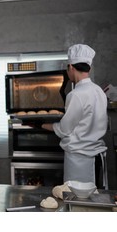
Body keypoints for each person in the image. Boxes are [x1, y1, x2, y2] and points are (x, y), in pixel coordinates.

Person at [41, 43, 108, 188]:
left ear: (71, 67)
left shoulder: (76, 95)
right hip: (97, 156)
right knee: (95, 203)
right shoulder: (99, 91)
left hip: (79, 160)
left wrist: (42, 125)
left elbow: (64, 129)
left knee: (78, 203)